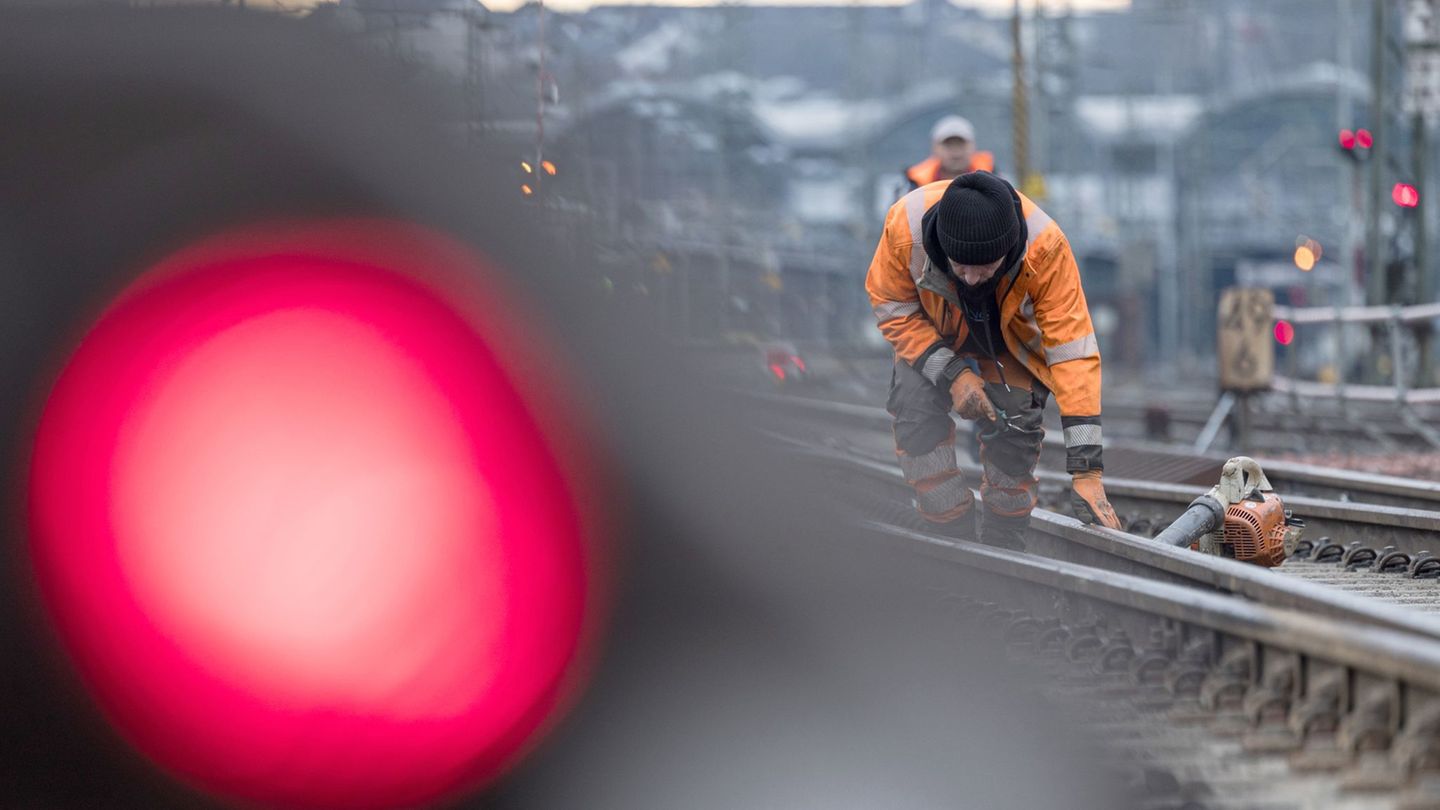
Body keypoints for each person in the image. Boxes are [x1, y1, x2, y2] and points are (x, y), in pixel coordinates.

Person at [865, 171, 1121, 551]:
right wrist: (953, 375)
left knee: (1016, 430)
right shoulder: (905, 228)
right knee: (915, 413)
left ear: (1008, 247)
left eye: (984, 267)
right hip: (931, 338)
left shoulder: (1046, 248)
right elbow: (893, 308)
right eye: (960, 266)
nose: (971, 279)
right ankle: (950, 530)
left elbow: (1073, 351)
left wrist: (1087, 470)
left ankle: (1004, 540)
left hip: (1006, 345)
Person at [904, 115, 996, 190]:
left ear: (973, 146)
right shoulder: (910, 186)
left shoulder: (996, 181)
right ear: (934, 148)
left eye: (961, 144)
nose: (956, 151)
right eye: (948, 145)